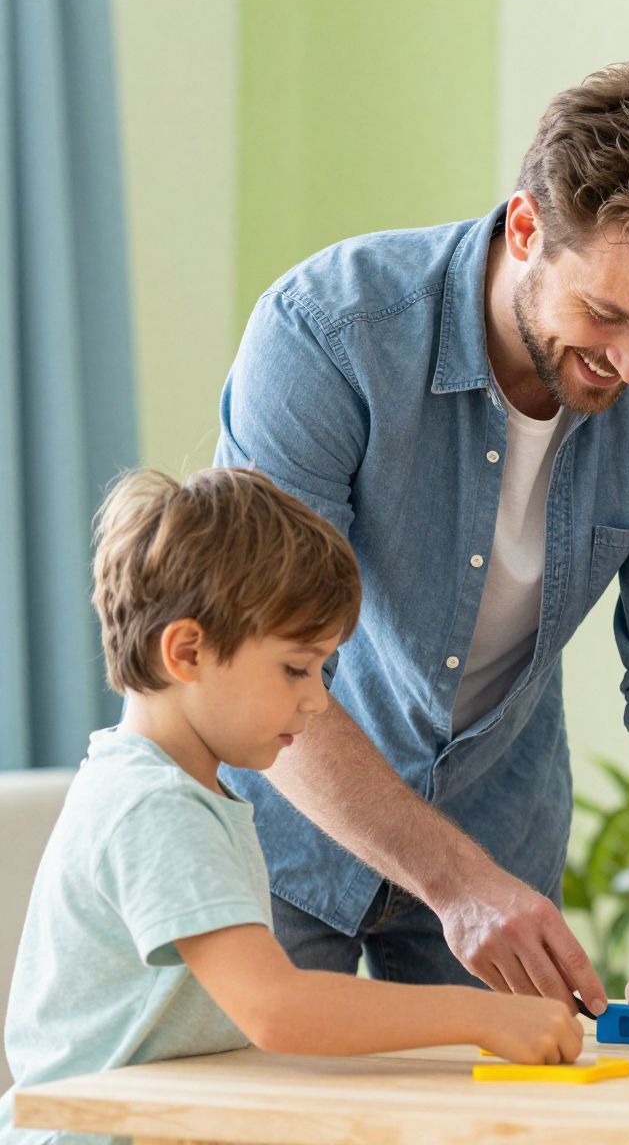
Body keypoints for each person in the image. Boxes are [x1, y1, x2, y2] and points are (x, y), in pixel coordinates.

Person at [215, 63, 629, 1018]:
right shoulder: (328, 332)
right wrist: (456, 883)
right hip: (283, 829)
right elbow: (251, 659)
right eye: (607, 314)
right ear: (525, 229)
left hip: (502, 835)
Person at [1, 469, 583, 1144]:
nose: (315, 700)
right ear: (187, 652)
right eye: (295, 668)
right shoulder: (154, 808)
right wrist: (483, 1016)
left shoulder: (185, 792)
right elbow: (274, 1008)